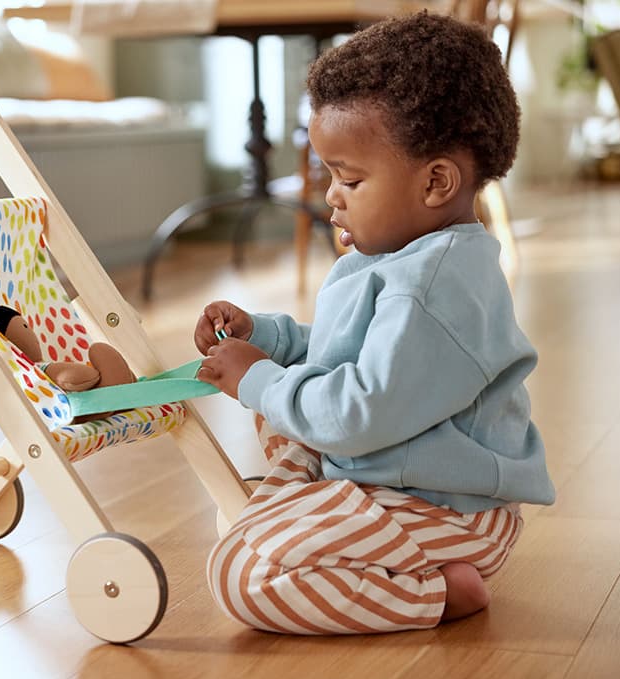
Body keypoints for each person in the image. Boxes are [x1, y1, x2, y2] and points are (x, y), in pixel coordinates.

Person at [194, 12, 554, 634]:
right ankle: (303, 508)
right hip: (405, 477)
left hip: (449, 513)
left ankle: (438, 594)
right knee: (279, 402)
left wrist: (257, 379)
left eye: (350, 178)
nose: (332, 195)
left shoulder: (429, 288)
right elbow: (349, 356)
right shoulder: (402, 254)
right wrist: (268, 338)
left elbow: (359, 410)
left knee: (240, 573)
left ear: (436, 182)